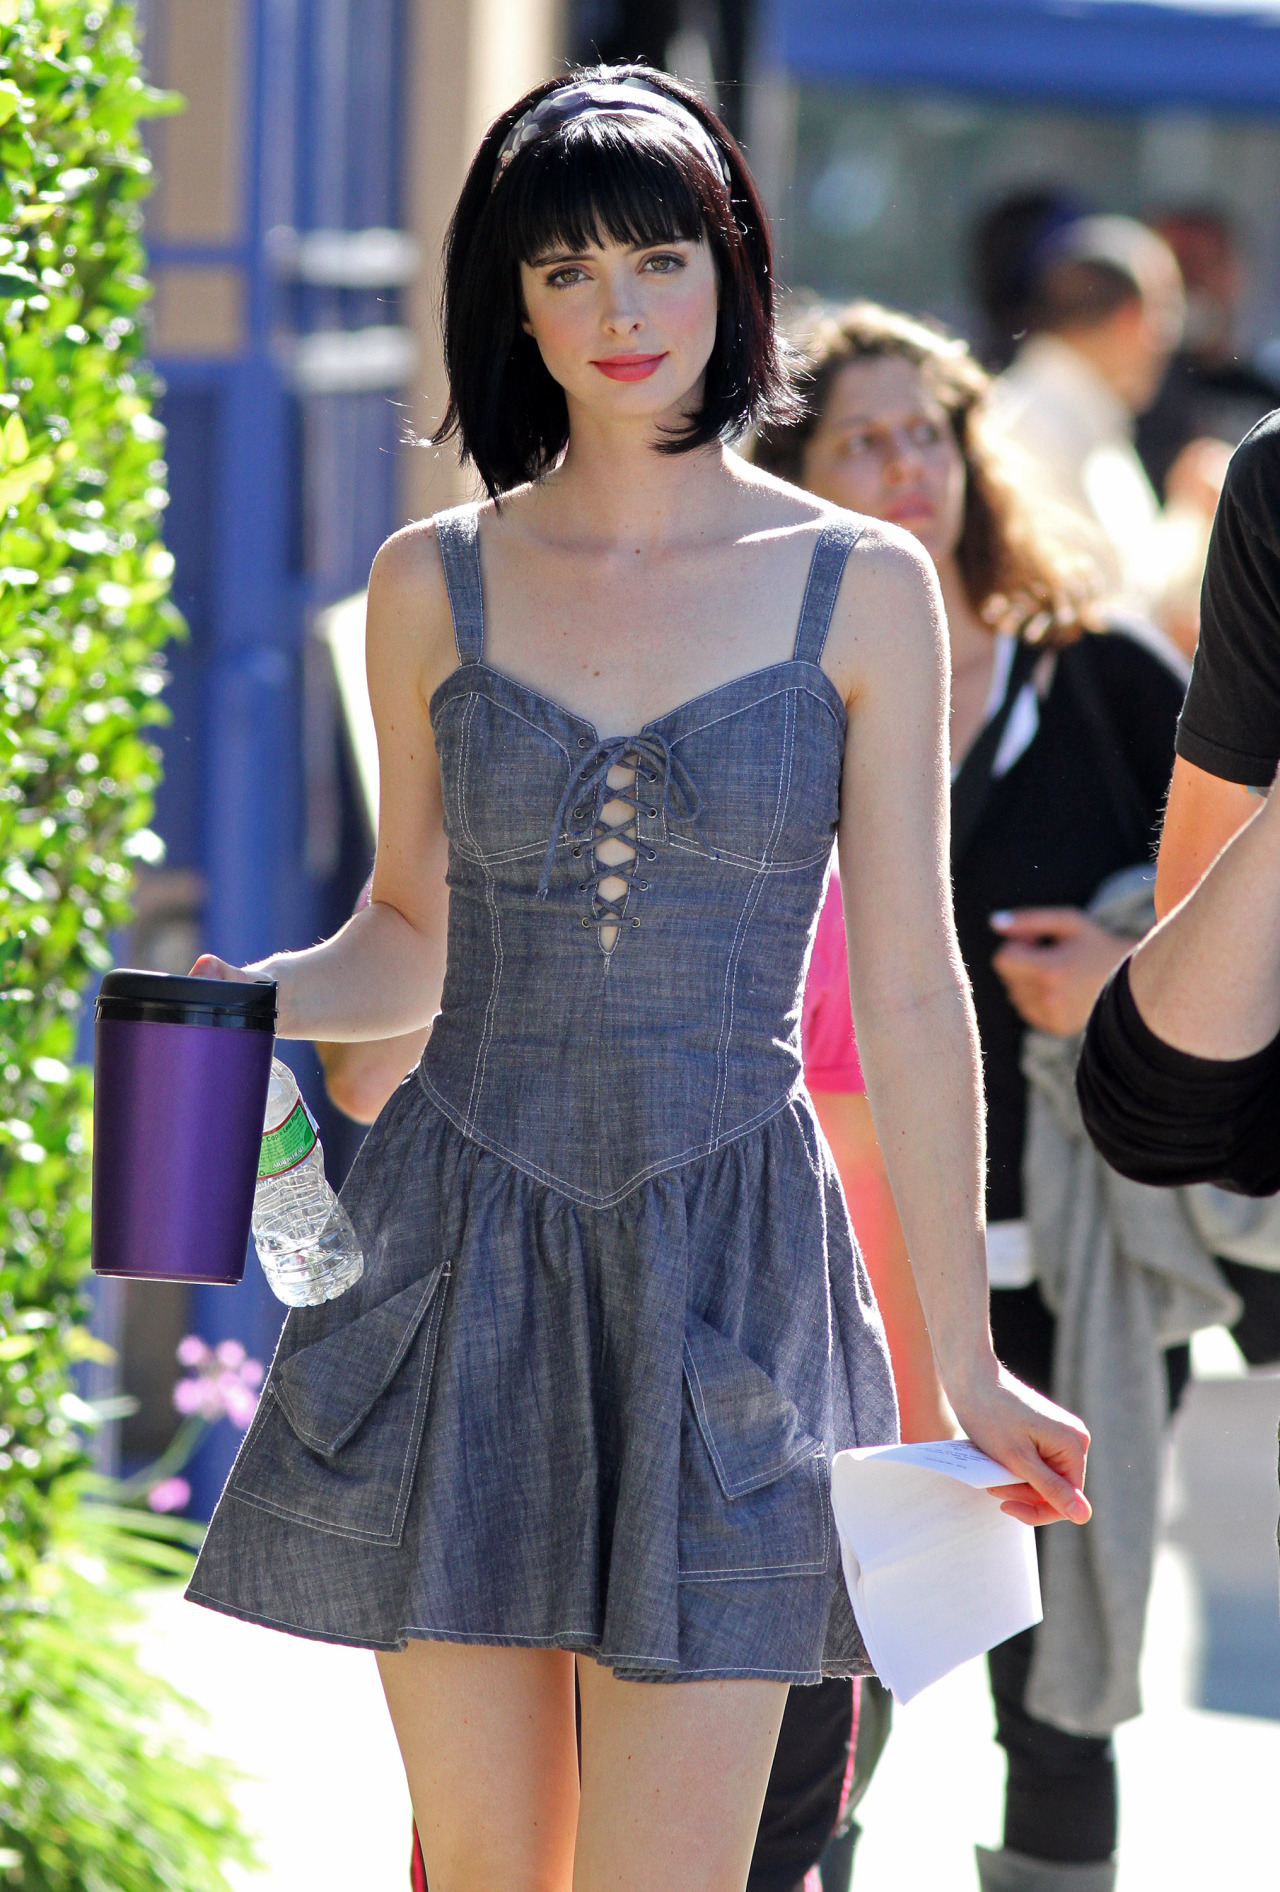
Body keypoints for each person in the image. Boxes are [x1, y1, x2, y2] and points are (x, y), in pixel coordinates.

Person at [184, 68, 1088, 1890]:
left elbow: (914, 992)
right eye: (567, 269)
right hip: (457, 1256)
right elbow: (412, 932)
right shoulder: (432, 580)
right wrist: (245, 1001)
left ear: (729, 271)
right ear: (512, 304)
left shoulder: (862, 584)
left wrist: (971, 1363)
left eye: (658, 259)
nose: (619, 309)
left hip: (735, 1270)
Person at [757, 302, 1190, 1892]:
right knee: (823, 1685)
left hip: (1067, 1264)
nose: (906, 466)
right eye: (861, 440)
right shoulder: (766, 693)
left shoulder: (1097, 675)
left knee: (1058, 1699)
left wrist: (1127, 970)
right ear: (798, 477)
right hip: (832, 1279)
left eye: (926, 432)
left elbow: (1246, 894)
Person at [990, 214, 1220, 649]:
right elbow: (1112, 607)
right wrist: (1191, 510)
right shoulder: (1031, 425)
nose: (1170, 342)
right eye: (1169, 316)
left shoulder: (1077, 414)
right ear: (1132, 320)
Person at [1136, 207, 1280, 500]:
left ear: (1235, 274)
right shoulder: (1130, 392)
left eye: (1202, 263)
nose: (1190, 283)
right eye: (1175, 267)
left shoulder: (1266, 393)